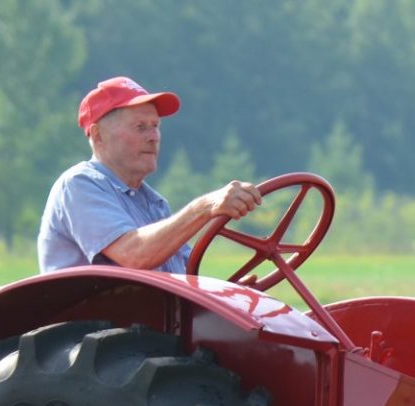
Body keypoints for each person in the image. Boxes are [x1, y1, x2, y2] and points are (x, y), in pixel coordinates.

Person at [36, 75, 263, 274]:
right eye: (140, 127)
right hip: (92, 321)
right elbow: (134, 255)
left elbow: (186, 280)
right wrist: (204, 207)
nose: (154, 136)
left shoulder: (154, 204)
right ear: (98, 135)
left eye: (155, 126)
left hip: (144, 319)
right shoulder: (79, 185)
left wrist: (234, 292)